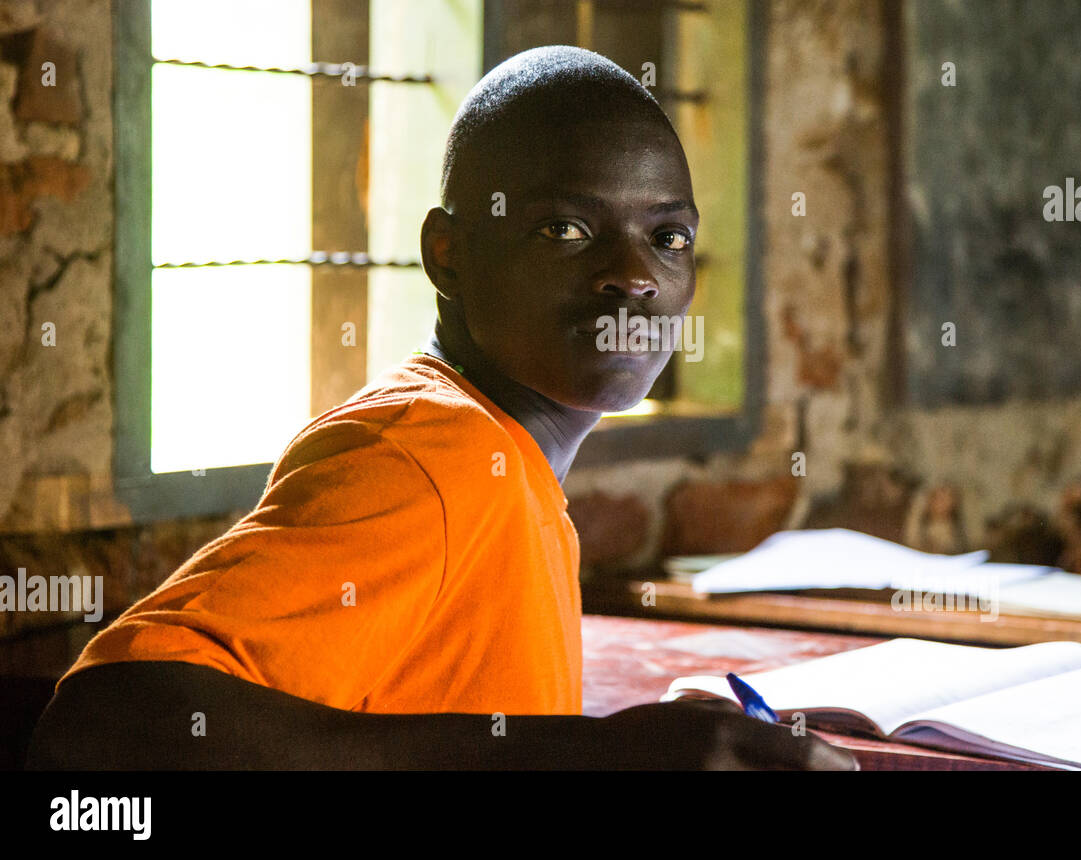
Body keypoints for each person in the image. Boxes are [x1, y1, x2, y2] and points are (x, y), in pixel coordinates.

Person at [26, 46, 856, 771]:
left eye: (667, 237)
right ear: (447, 254)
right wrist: (589, 760)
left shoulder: (509, 467)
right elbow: (100, 727)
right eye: (567, 228)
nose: (632, 274)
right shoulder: (436, 461)